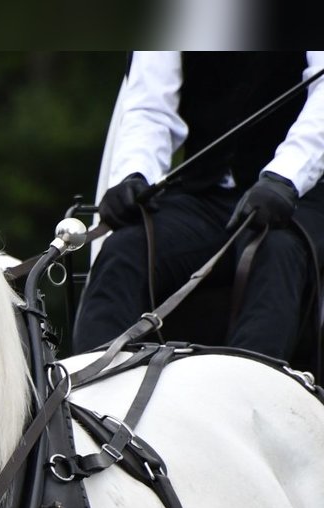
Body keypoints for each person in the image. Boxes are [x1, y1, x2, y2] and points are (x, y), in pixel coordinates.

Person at [71, 51, 324, 363]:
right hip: (203, 193)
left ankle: (246, 398)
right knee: (125, 249)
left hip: (299, 196)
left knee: (276, 252)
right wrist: (134, 174)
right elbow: (150, 109)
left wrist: (285, 177)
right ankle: (90, 399)